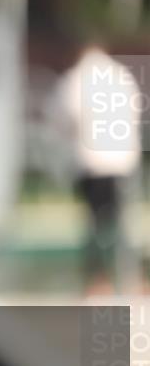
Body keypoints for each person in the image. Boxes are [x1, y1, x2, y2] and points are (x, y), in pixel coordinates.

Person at [52, 42, 143, 296]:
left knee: (95, 227)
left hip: (91, 163)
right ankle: (129, 280)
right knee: (123, 225)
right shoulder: (121, 76)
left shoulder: (75, 79)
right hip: (123, 161)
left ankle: (97, 281)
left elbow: (63, 119)